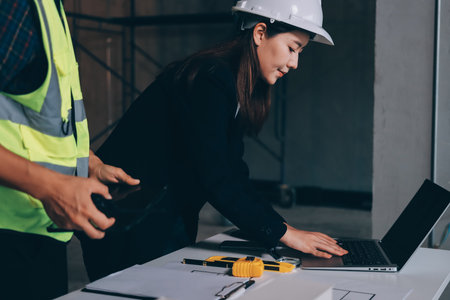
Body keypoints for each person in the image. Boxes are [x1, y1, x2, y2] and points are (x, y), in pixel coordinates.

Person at [79, 0, 348, 281]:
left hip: (159, 217)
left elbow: (233, 170)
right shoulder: (210, 78)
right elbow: (216, 176)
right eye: (292, 48)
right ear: (259, 33)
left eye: (300, 52)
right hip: (128, 221)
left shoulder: (232, 83)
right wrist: (284, 233)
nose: (294, 63)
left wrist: (281, 228)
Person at [0, 0, 138, 298]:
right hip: (9, 235)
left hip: (42, 231)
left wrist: (89, 163)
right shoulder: (14, 8)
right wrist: (51, 187)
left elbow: (41, 118)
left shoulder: (47, 8)